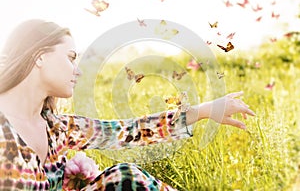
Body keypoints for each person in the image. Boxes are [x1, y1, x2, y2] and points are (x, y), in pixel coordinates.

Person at [0, 19, 255, 190]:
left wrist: (205, 110)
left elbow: (127, 131)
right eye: (70, 58)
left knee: (124, 176)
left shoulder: (56, 128)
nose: (77, 71)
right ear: (39, 56)